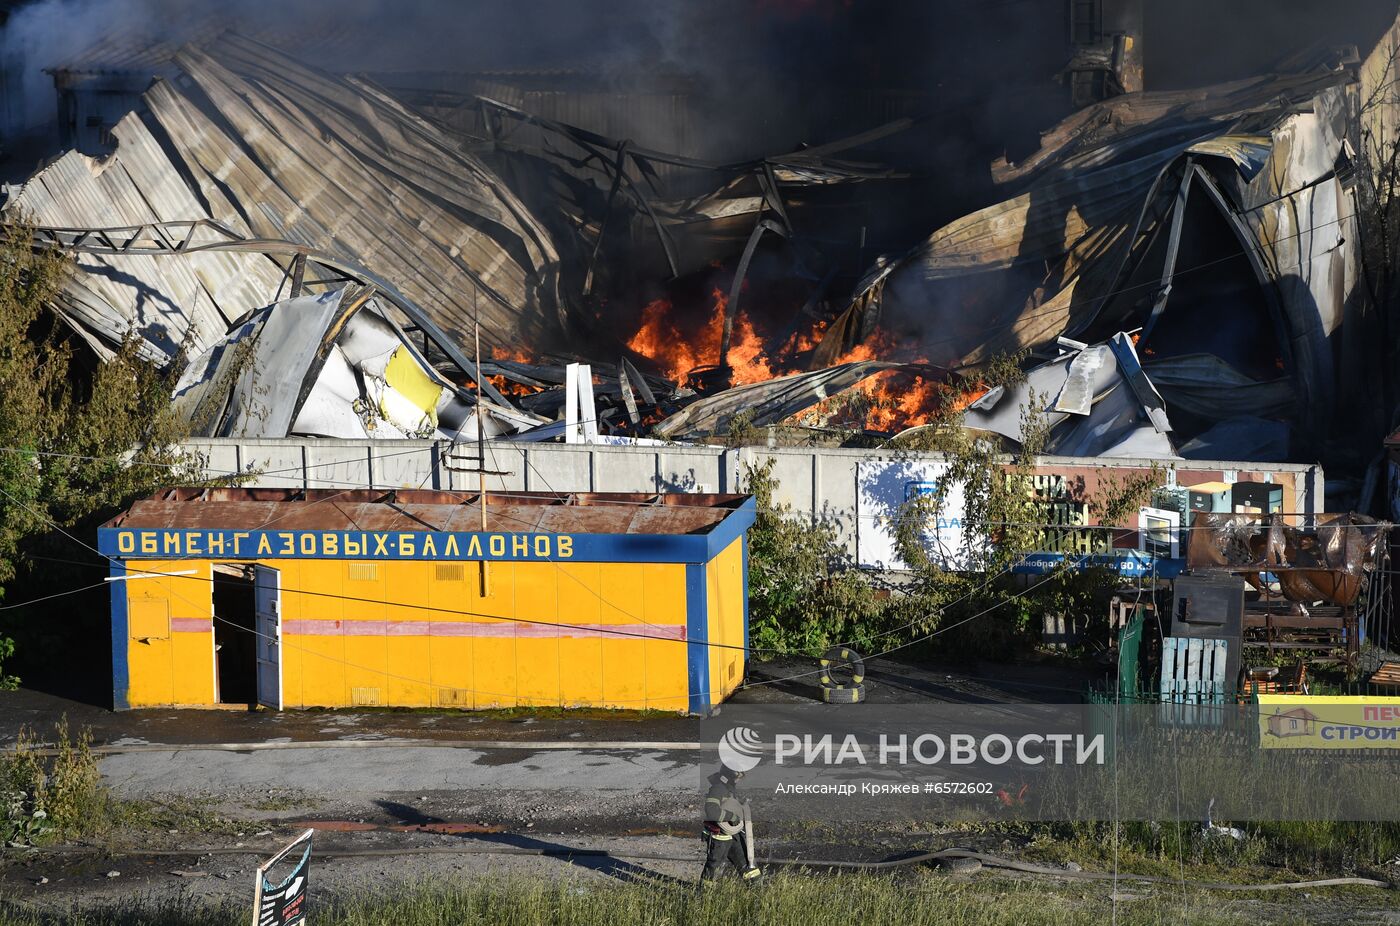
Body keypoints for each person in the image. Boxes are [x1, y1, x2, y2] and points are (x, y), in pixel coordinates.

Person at [700, 764, 761, 882]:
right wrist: (731, 816)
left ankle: (758, 893)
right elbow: (712, 810)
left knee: (749, 866)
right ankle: (704, 896)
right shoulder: (718, 788)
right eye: (738, 777)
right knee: (713, 871)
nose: (738, 780)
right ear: (730, 774)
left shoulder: (729, 789)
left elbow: (731, 805)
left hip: (735, 835)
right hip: (720, 838)